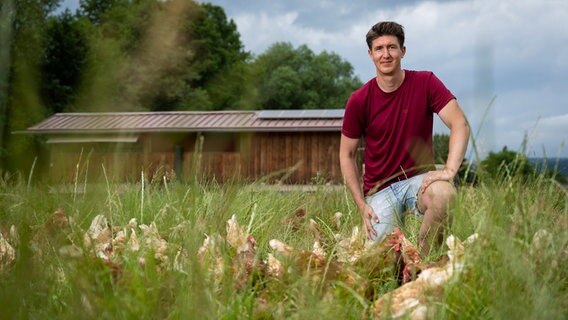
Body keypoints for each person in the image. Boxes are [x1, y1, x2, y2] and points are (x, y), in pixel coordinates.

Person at [339, 21, 470, 256]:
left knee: (445, 196)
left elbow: (459, 123)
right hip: (379, 190)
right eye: (379, 49)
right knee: (379, 266)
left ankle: (424, 260)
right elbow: (346, 154)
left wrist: (449, 170)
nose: (386, 54)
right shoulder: (359, 100)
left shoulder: (426, 82)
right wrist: (361, 205)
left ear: (403, 51)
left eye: (392, 47)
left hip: (419, 181)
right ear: (370, 54)